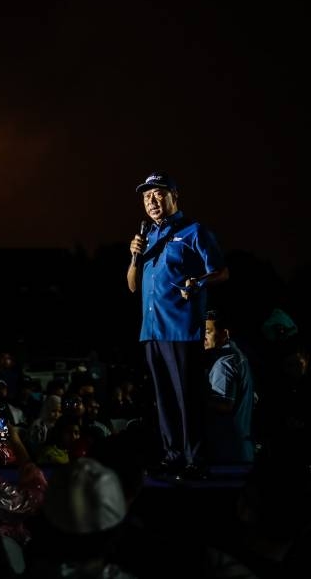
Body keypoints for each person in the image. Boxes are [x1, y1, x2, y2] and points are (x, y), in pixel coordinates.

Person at [127, 172, 228, 479]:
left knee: (188, 397)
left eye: (158, 193)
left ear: (174, 195)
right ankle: (172, 456)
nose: (152, 201)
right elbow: (132, 285)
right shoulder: (147, 237)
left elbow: (222, 272)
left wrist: (198, 281)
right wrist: (134, 257)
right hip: (152, 331)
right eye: (147, 196)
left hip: (181, 329)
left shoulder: (195, 231)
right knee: (164, 399)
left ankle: (196, 460)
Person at [203, 310, 255, 465]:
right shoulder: (239, 356)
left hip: (227, 453)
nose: (203, 337)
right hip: (241, 450)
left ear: (224, 333)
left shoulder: (224, 363)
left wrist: (192, 400)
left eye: (208, 332)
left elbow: (224, 405)